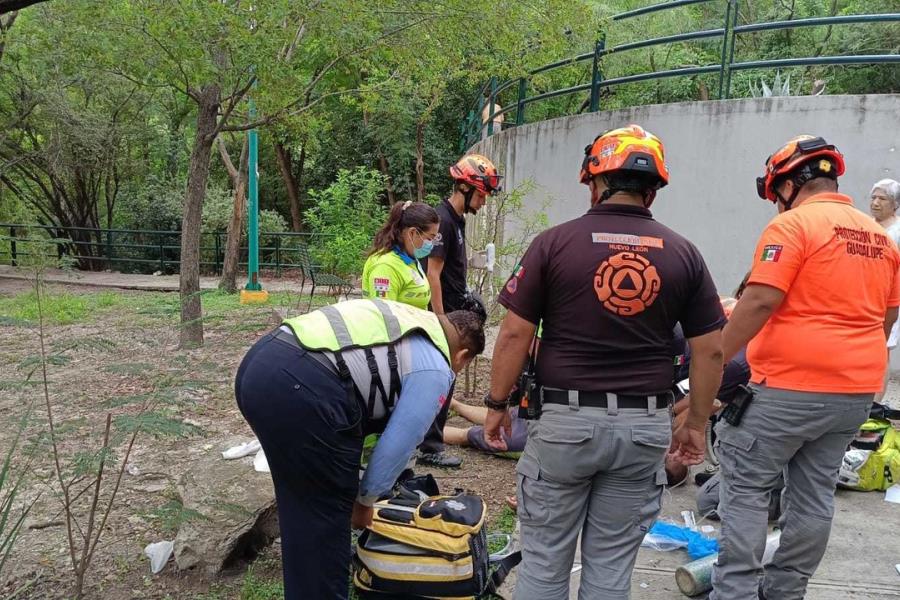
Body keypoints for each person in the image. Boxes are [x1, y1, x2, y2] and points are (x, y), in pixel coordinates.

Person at [483, 124, 725, 600]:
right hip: (643, 430)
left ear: (595, 182)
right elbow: (711, 350)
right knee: (611, 572)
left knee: (545, 563)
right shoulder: (684, 254)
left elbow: (514, 333)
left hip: (564, 427)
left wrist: (496, 405)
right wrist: (695, 423)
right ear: (652, 191)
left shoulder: (553, 244)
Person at [710, 135, 900, 600]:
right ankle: (784, 591)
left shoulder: (793, 227)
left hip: (787, 387)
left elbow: (759, 301)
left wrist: (713, 362)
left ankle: (733, 591)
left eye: (775, 192)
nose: (775, 203)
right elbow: (887, 316)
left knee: (746, 487)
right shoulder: (880, 237)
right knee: (814, 494)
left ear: (791, 183)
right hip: (854, 391)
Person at [234, 299, 485, 600]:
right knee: (327, 518)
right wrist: (364, 502)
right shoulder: (436, 366)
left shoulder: (413, 319)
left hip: (262, 365)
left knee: (304, 506)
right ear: (463, 354)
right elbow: (400, 441)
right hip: (303, 385)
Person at [418, 153, 501, 468]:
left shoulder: (458, 221)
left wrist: (467, 294)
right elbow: (433, 274)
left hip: (454, 311)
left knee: (446, 379)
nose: (484, 201)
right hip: (443, 318)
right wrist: (442, 322)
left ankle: (430, 440)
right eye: (482, 194)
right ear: (466, 188)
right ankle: (429, 447)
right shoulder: (443, 221)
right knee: (440, 379)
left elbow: (452, 272)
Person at [361, 200, 439, 310]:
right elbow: (385, 317)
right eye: (429, 238)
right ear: (412, 233)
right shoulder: (386, 267)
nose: (431, 244)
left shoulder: (411, 259)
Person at [870, 178, 900, 404]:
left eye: (882, 198)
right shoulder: (866, 225)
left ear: (895, 204)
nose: (876, 202)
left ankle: (875, 406)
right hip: (866, 297)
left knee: (883, 349)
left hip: (890, 297)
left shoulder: (897, 232)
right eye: (873, 197)